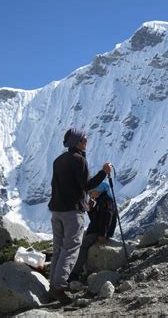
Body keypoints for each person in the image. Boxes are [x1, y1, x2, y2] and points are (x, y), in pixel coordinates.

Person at [48, 128, 112, 304]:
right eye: (84, 140)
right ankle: (59, 286)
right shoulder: (79, 160)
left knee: (58, 248)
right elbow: (87, 185)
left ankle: (52, 285)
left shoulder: (58, 160)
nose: (86, 143)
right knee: (71, 247)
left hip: (56, 210)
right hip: (72, 211)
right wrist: (103, 172)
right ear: (78, 143)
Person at [69, 181, 117, 281]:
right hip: (96, 229)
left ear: (99, 190)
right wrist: (90, 209)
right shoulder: (99, 200)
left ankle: (74, 273)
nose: (90, 194)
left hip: (101, 231)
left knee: (83, 245)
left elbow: (106, 218)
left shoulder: (106, 201)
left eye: (92, 192)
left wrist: (102, 234)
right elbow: (95, 219)